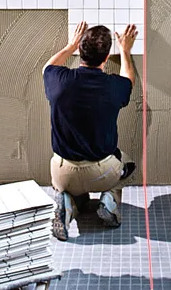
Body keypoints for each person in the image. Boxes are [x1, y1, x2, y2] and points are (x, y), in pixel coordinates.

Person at [42, 21, 138, 241]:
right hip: (102, 173)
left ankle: (68, 204)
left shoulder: (58, 80)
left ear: (80, 51)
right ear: (106, 58)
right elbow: (128, 80)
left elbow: (47, 67)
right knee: (127, 163)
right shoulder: (114, 86)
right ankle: (109, 201)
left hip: (62, 173)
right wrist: (125, 51)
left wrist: (69, 46)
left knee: (73, 189)